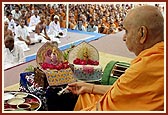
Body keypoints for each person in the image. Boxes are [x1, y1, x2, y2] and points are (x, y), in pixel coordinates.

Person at [67, 5, 164, 111]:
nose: (123, 38)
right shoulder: (159, 56)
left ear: (142, 33)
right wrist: (90, 87)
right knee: (87, 95)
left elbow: (104, 109)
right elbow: (123, 91)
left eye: (126, 31)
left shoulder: (143, 67)